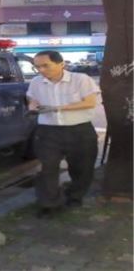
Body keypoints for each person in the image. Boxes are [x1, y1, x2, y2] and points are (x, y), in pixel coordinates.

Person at [27, 50, 100, 218]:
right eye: (37, 66)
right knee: (47, 168)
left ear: (61, 64)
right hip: (48, 130)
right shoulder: (37, 82)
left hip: (79, 130)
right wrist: (33, 106)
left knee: (82, 167)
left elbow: (89, 102)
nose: (41, 70)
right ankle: (49, 204)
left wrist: (58, 108)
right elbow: (32, 98)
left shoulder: (81, 79)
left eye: (46, 65)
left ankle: (75, 196)